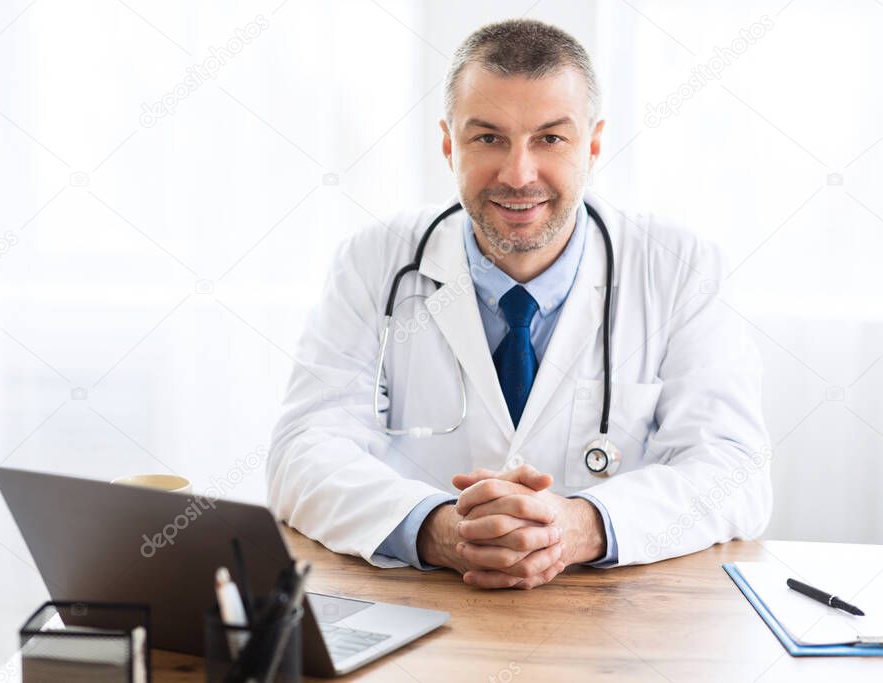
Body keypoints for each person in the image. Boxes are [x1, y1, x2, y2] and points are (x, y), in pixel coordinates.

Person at [267, 18, 771, 589]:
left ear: (594, 144)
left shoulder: (678, 267)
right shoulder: (372, 261)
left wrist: (579, 526)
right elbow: (301, 453)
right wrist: (437, 529)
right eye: (488, 138)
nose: (518, 173)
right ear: (447, 142)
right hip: (423, 613)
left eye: (550, 139)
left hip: (612, 625)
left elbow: (736, 471)